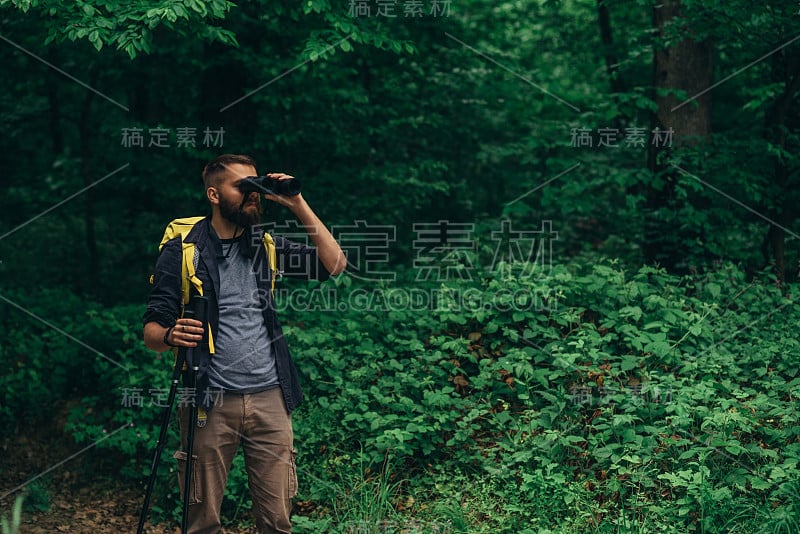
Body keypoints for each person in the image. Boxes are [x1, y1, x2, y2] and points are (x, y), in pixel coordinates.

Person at [142, 154, 346, 533]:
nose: (254, 194)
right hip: (208, 397)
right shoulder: (184, 249)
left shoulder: (263, 243)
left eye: (256, 184)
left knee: (277, 520)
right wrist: (170, 335)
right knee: (201, 519)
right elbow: (152, 330)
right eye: (243, 186)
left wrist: (297, 203)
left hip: (271, 397)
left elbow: (333, 265)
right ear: (214, 194)